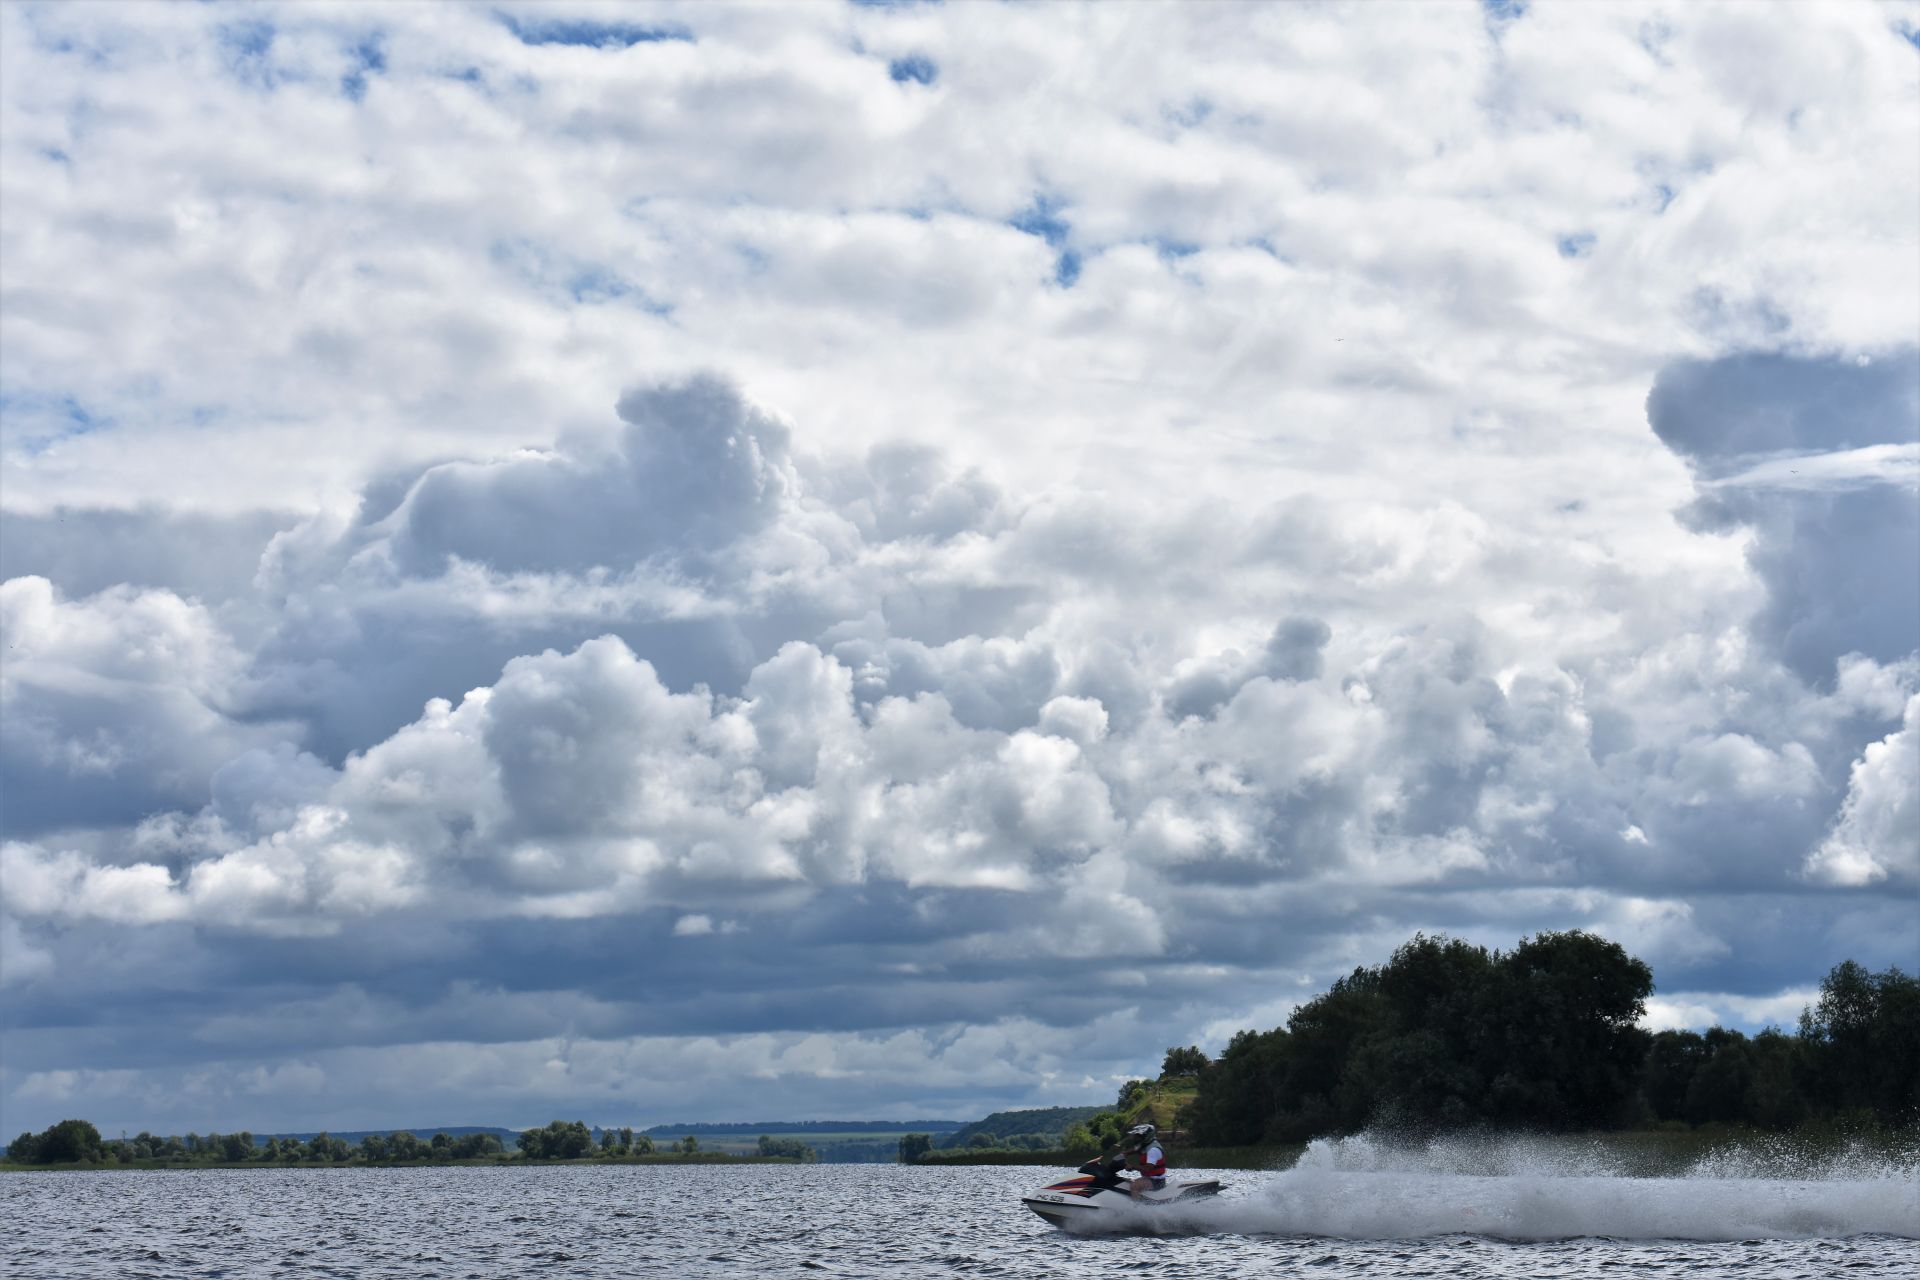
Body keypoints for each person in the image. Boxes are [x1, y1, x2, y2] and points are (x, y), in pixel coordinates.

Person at [1122, 1123, 1166, 1200]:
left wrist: (1132, 1167)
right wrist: (1125, 1154)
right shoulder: (1145, 1145)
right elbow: (1135, 1150)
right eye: (1136, 1136)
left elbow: (1148, 1168)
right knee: (1125, 1182)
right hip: (1149, 1178)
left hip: (1156, 1181)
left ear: (1146, 1136)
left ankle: (1138, 1208)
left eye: (1138, 1136)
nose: (1135, 1138)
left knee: (1134, 1186)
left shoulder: (1153, 1150)